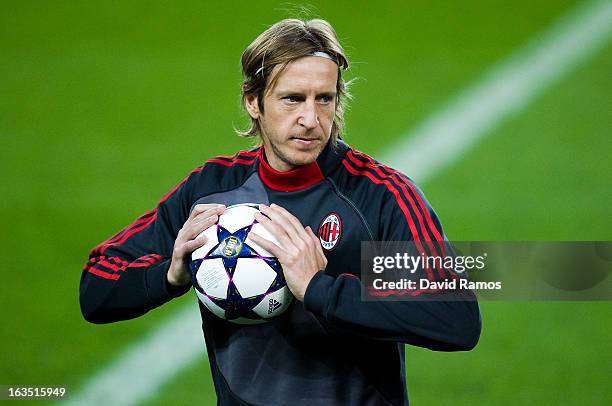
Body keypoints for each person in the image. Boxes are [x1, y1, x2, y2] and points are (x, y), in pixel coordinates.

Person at [80, 18, 481, 406]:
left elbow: (454, 316)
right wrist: (169, 275)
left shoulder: (377, 198)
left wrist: (319, 288)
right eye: (292, 99)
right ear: (252, 101)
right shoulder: (212, 191)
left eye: (324, 99)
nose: (310, 119)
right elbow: (97, 286)